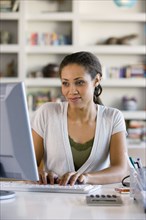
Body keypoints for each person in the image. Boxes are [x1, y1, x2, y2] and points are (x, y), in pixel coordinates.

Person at [31, 51, 128, 186]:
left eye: (79, 82)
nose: (71, 91)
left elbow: (121, 170)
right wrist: (41, 173)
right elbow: (29, 167)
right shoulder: (46, 113)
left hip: (94, 202)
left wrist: (86, 178)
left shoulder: (113, 117)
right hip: (51, 202)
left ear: (97, 80)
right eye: (65, 83)